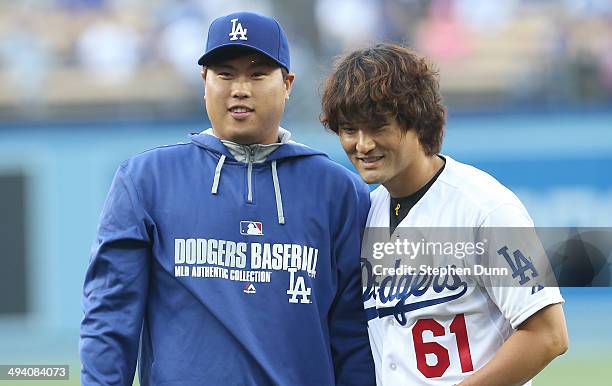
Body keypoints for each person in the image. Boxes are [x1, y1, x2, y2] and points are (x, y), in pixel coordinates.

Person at [80, 12, 375, 386]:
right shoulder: (146, 180)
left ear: (287, 84)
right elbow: (110, 317)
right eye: (224, 74)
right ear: (204, 81)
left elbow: (355, 336)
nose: (240, 88)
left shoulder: (339, 191)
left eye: (257, 74)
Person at [320, 43, 568, 386]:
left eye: (378, 126)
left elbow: (548, 335)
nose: (362, 144)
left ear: (417, 120)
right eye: (349, 129)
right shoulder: (367, 211)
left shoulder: (485, 208)